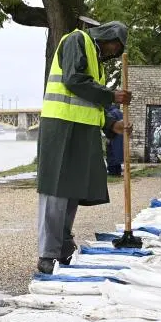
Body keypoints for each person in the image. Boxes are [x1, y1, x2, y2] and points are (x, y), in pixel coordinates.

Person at [36, 21, 132, 274]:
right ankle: (48, 254)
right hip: (61, 127)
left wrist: (112, 124)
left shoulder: (96, 60)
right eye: (115, 46)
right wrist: (111, 95)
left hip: (81, 129)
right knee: (55, 192)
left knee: (72, 191)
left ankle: (64, 246)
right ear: (108, 35)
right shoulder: (76, 40)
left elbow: (90, 106)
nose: (114, 52)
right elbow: (74, 80)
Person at [105, 104, 124, 176]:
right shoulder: (119, 112)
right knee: (117, 154)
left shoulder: (111, 113)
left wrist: (108, 136)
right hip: (120, 136)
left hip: (113, 136)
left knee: (111, 153)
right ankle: (117, 171)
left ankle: (112, 172)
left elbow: (110, 126)